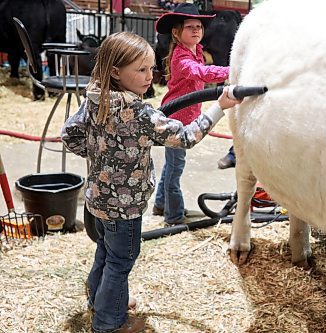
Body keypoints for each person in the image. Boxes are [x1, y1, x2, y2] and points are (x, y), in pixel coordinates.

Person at [61, 31, 240, 333]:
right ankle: (109, 321)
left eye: (151, 69)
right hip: (126, 207)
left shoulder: (94, 98)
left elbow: (69, 134)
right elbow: (186, 137)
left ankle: (101, 300)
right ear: (116, 72)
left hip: (98, 200)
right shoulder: (140, 113)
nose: (149, 76)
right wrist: (220, 105)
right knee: (122, 261)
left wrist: (99, 156)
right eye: (141, 70)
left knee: (106, 251)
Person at [153, 3, 230, 223]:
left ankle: (160, 204)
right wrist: (232, 70)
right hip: (176, 120)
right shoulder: (181, 56)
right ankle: (174, 216)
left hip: (185, 118)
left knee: (171, 165)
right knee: (176, 169)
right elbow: (202, 73)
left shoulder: (195, 51)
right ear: (177, 33)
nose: (196, 30)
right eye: (190, 27)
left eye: (199, 26)